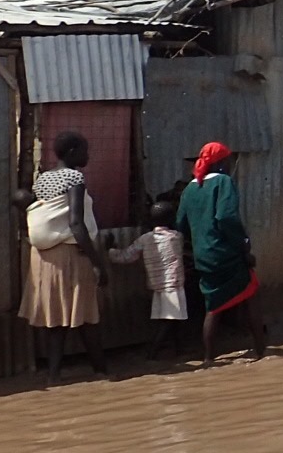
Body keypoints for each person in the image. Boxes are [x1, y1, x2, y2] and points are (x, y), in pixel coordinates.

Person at [19, 130, 108, 381]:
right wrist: (97, 262)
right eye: (84, 150)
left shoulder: (43, 179)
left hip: (44, 258)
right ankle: (102, 372)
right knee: (87, 315)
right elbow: (76, 223)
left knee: (56, 320)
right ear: (72, 153)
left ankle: (53, 377)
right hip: (70, 254)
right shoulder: (74, 178)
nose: (87, 155)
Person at [176, 141, 268, 367]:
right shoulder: (224, 182)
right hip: (226, 253)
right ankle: (261, 352)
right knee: (250, 294)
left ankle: (208, 358)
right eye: (227, 159)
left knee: (213, 306)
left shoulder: (190, 189)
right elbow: (226, 218)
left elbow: (181, 224)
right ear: (221, 162)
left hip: (203, 256)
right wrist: (244, 245)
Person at [107, 194, 192, 357]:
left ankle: (179, 350)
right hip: (173, 285)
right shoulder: (176, 237)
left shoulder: (144, 239)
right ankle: (152, 352)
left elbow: (126, 256)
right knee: (169, 320)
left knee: (174, 319)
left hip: (156, 285)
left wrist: (111, 249)